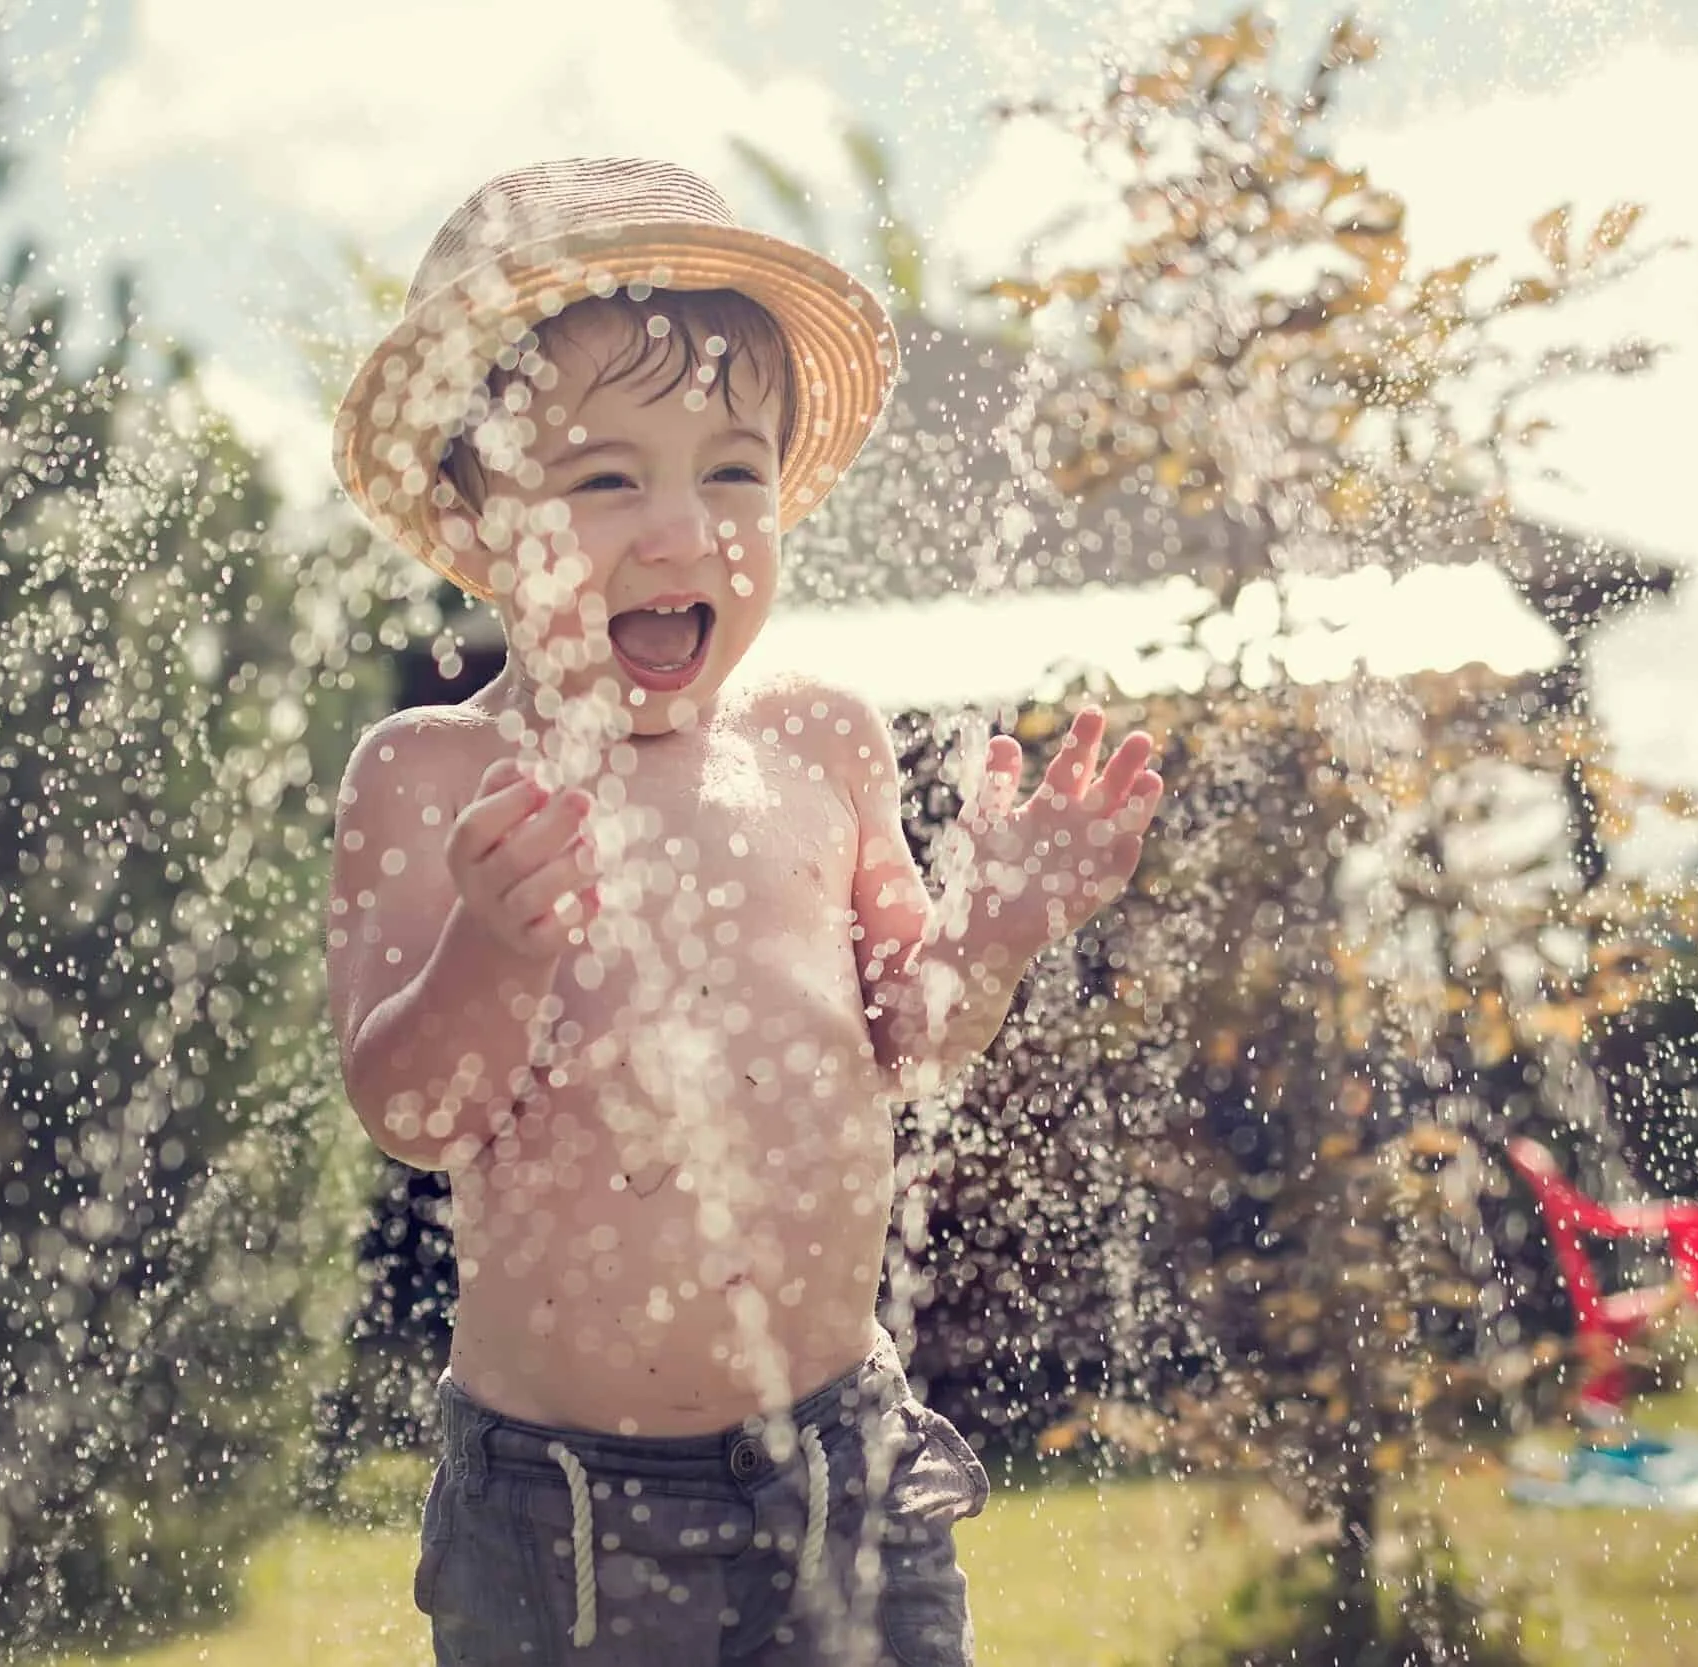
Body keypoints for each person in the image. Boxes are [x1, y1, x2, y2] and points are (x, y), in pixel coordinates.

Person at [326, 157, 1166, 1666]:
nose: (681, 531)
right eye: (604, 481)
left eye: (731, 474)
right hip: (566, 1517)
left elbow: (912, 1037)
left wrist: (998, 926)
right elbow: (415, 1113)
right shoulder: (432, 774)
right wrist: (492, 950)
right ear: (473, 520)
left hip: (847, 1462)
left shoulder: (820, 743)